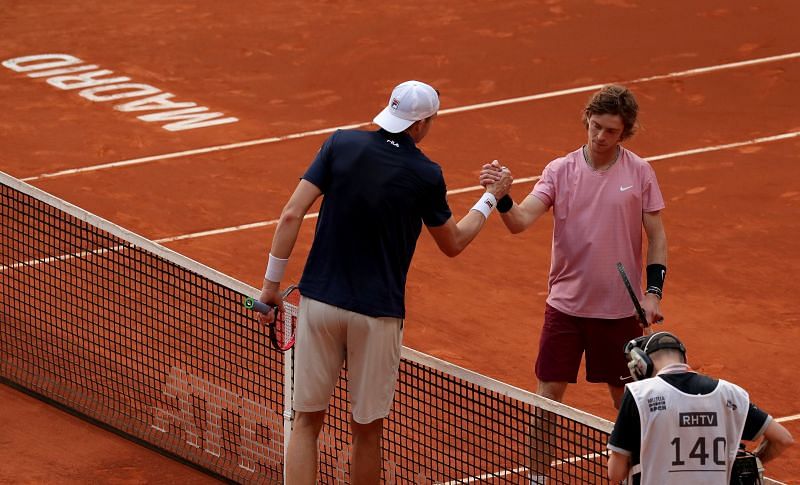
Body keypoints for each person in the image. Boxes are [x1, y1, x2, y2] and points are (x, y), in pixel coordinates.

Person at [258, 80, 512, 484]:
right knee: (367, 431)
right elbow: (455, 242)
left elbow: (291, 214)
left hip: (320, 305)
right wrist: (490, 197)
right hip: (377, 317)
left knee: (305, 421)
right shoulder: (426, 174)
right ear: (421, 124)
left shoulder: (339, 144)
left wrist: (271, 288)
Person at [480, 84, 667, 410]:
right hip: (565, 309)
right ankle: (539, 466)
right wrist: (502, 197)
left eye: (611, 131)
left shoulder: (640, 172)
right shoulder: (559, 171)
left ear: (624, 133)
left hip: (619, 311)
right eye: (596, 126)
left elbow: (658, 236)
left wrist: (653, 293)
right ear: (587, 120)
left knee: (628, 404)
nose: (600, 137)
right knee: (547, 399)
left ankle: (633, 464)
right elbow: (520, 221)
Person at [607, 331, 794, 483]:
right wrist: (754, 459)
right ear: (684, 359)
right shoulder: (730, 394)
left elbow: (615, 474)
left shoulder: (639, 394)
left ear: (641, 364)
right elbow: (783, 439)